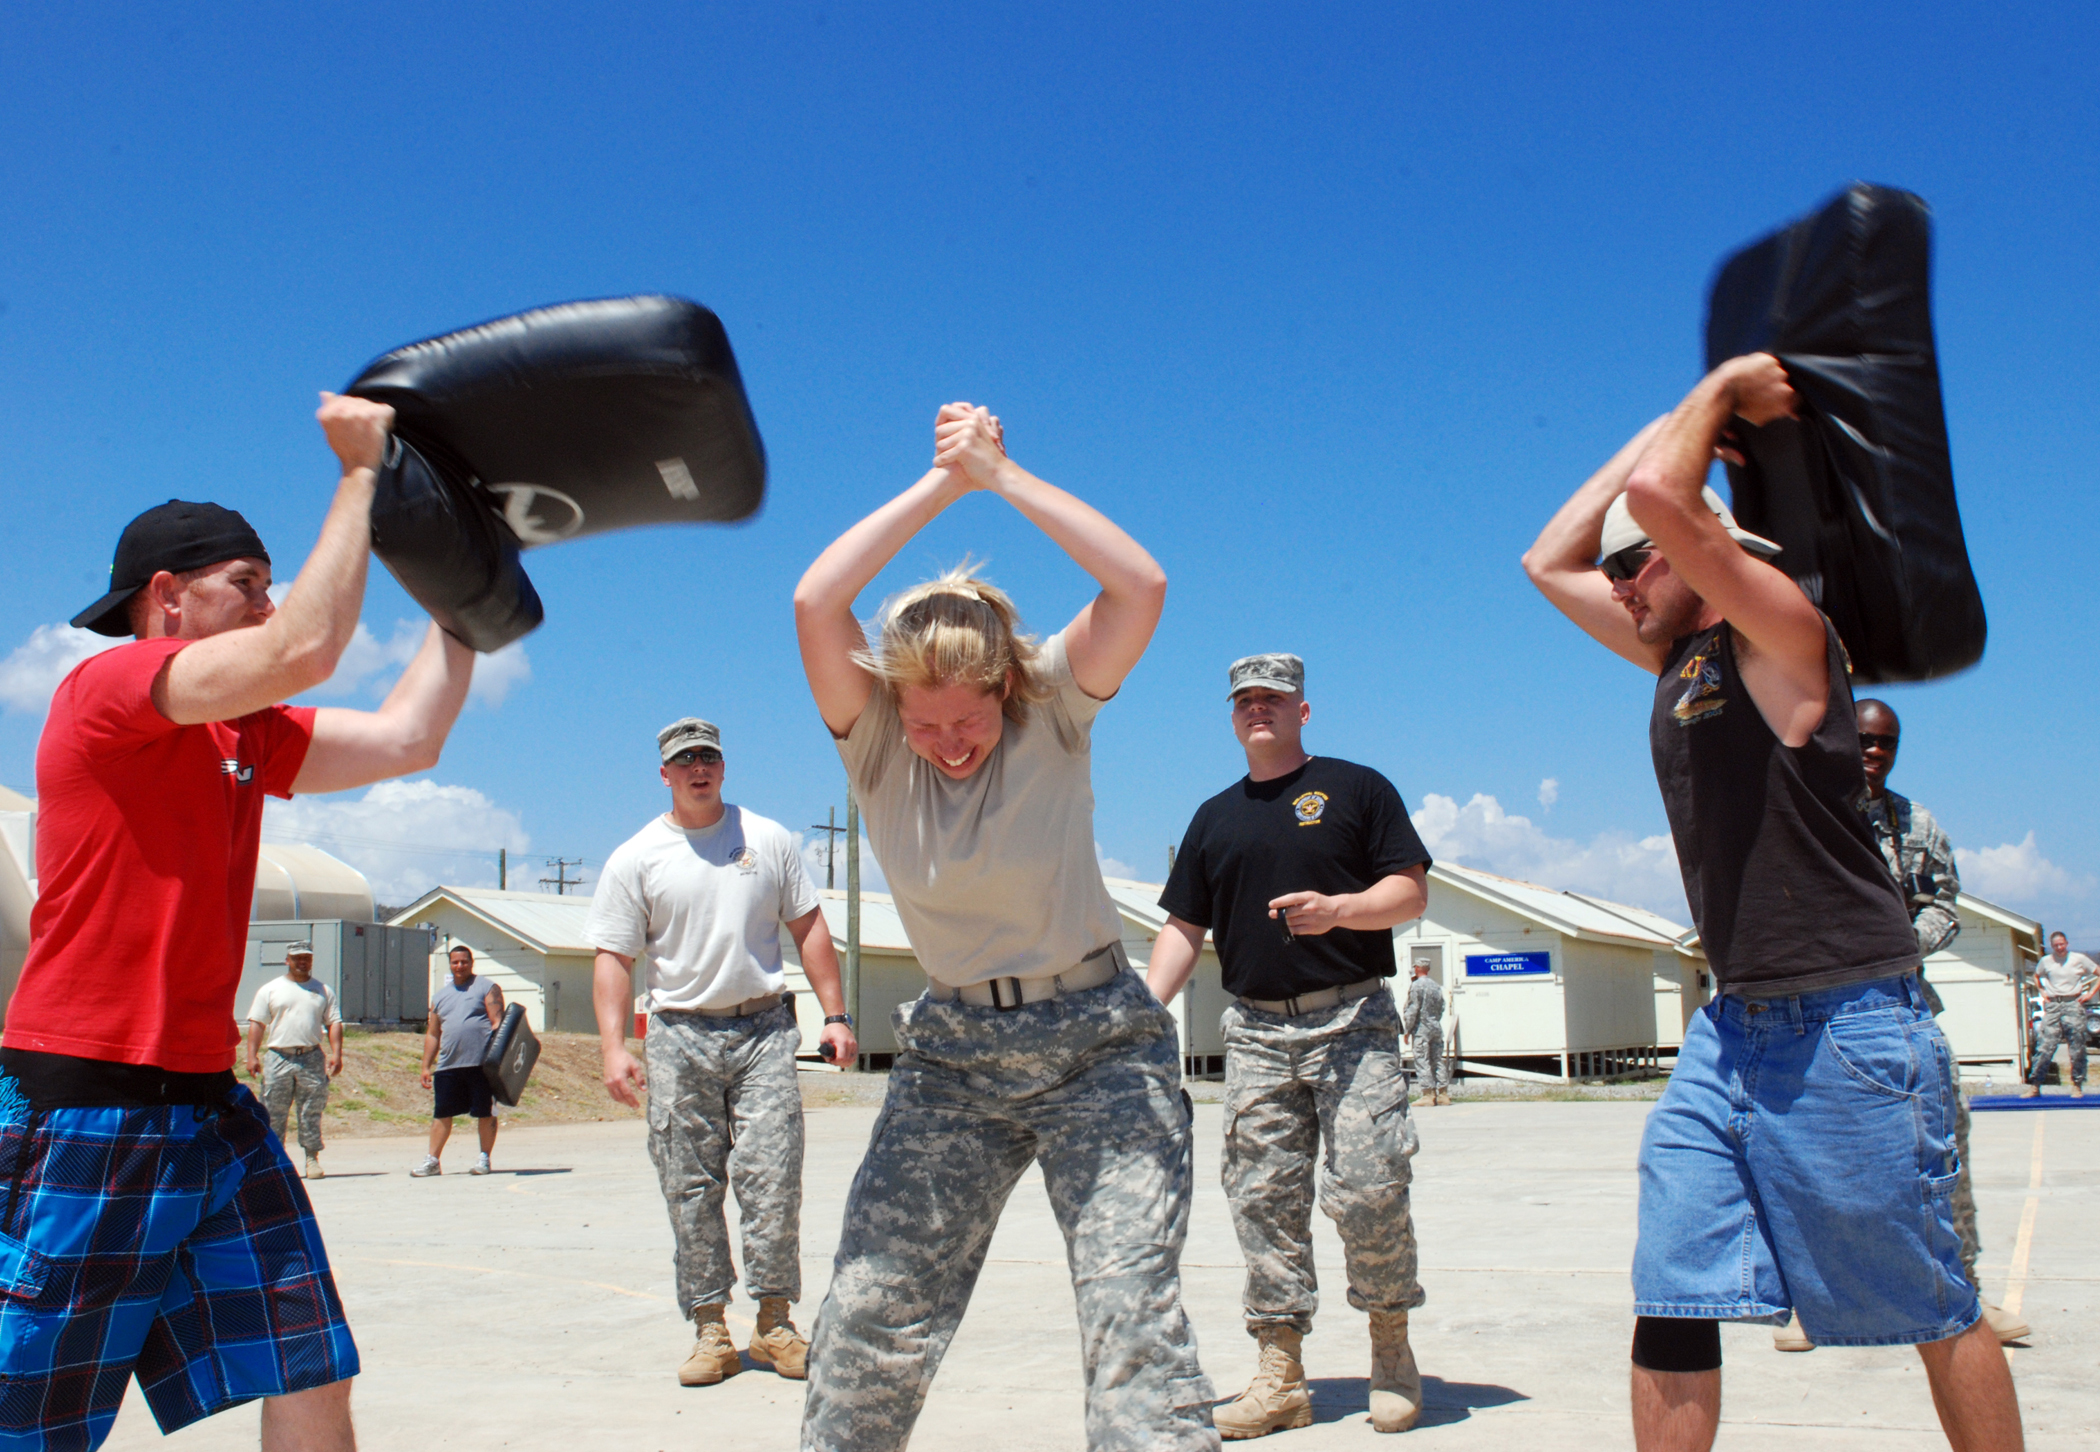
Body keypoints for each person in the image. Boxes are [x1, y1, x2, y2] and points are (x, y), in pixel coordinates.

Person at [1522, 354, 2023, 1452]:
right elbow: (1545, 557)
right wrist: (1668, 416)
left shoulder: (1789, 637)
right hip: (1734, 1027)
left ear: (1709, 550)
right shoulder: (1674, 655)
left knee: (1932, 1298)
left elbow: (1661, 502)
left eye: (1637, 566)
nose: (1616, 584)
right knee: (1673, 1288)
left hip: (1852, 1027)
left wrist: (1713, 400)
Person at [0, 394, 475, 1451]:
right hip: (87, 1102)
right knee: (32, 1423)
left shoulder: (241, 733)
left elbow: (410, 738)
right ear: (166, 598)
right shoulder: (106, 688)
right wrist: (360, 475)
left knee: (309, 1366)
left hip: (210, 1105)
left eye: (270, 586)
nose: (268, 606)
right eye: (246, 586)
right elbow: (306, 649)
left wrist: (469, 605)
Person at [792, 403, 1215, 1451]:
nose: (945, 743)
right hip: (955, 1058)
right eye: (923, 721)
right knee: (870, 1313)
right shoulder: (876, 745)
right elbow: (816, 596)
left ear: (1007, 686)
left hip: (1097, 1048)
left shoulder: (1055, 710)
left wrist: (1000, 476)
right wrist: (943, 485)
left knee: (1132, 1323)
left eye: (967, 719)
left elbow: (1141, 586)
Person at [1148, 653, 1433, 1437]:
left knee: (1372, 1187)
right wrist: (1145, 1011)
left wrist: (1341, 910)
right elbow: (1182, 927)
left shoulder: (1357, 788)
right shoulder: (1214, 817)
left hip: (1353, 1025)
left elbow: (1409, 891)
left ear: (1304, 711)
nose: (1258, 709)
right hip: (1257, 1035)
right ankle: (1281, 1375)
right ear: (1231, 716)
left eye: (1273, 698)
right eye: (1244, 700)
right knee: (1262, 1200)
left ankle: (1390, 1347)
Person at [587, 717, 858, 1389]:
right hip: (679, 1037)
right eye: (685, 761)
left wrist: (837, 1014)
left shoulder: (767, 840)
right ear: (666, 774)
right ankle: (710, 1326)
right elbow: (614, 956)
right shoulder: (637, 856)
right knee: (690, 1185)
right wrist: (615, 1046)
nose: (698, 768)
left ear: (723, 765)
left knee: (773, 1178)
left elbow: (810, 927)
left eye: (708, 756)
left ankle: (773, 1323)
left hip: (764, 1031)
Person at [1773, 701, 2028, 1348]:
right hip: (1821, 1014)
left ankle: (1963, 1293)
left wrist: (1905, 944)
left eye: (1885, 742)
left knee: (1940, 1149)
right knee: (1822, 1156)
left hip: (1901, 1006)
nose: (1873, 752)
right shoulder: (1810, 814)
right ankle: (1817, 1302)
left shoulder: (1918, 823)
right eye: (1862, 740)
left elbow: (1945, 902)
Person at [245, 939, 345, 1180]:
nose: (303, 961)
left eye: (307, 957)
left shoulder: (322, 990)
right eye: (298, 957)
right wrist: (251, 1055)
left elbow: (334, 1023)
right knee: (273, 1112)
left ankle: (312, 1159)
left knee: (311, 1110)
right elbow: (257, 1023)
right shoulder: (271, 989)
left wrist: (337, 1053)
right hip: (279, 1057)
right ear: (287, 960)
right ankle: (273, 1161)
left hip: (310, 1056)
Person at [414, 944, 505, 1176]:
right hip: (449, 1065)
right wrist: (426, 1065)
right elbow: (433, 1033)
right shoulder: (440, 997)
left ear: (471, 962)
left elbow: (498, 1023)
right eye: (455, 962)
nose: (459, 966)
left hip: (481, 1064)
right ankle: (432, 1161)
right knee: (442, 1114)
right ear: (450, 964)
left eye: (464, 961)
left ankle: (484, 1158)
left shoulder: (487, 988)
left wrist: (498, 1058)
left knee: (485, 1113)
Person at [2027, 931, 2095, 1098]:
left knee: (2077, 1047)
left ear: (2067, 943)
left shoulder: (2079, 959)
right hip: (2053, 1005)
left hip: (2073, 1003)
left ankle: (2077, 1085)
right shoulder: (2046, 961)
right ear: (2052, 946)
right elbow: (2037, 976)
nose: (2059, 948)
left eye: (2062, 944)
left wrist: (2090, 993)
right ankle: (2035, 1085)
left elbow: (2097, 972)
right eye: (2056, 945)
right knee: (2045, 1046)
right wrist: (2042, 991)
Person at [1403, 958, 1449, 1109]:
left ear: (1417, 968)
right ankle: (1443, 1094)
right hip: (1435, 1026)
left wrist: (1407, 1029)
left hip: (1421, 1028)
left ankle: (1428, 1094)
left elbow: (1413, 1009)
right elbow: (1442, 1007)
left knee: (1422, 1060)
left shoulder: (1417, 986)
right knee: (1437, 1060)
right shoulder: (1436, 986)